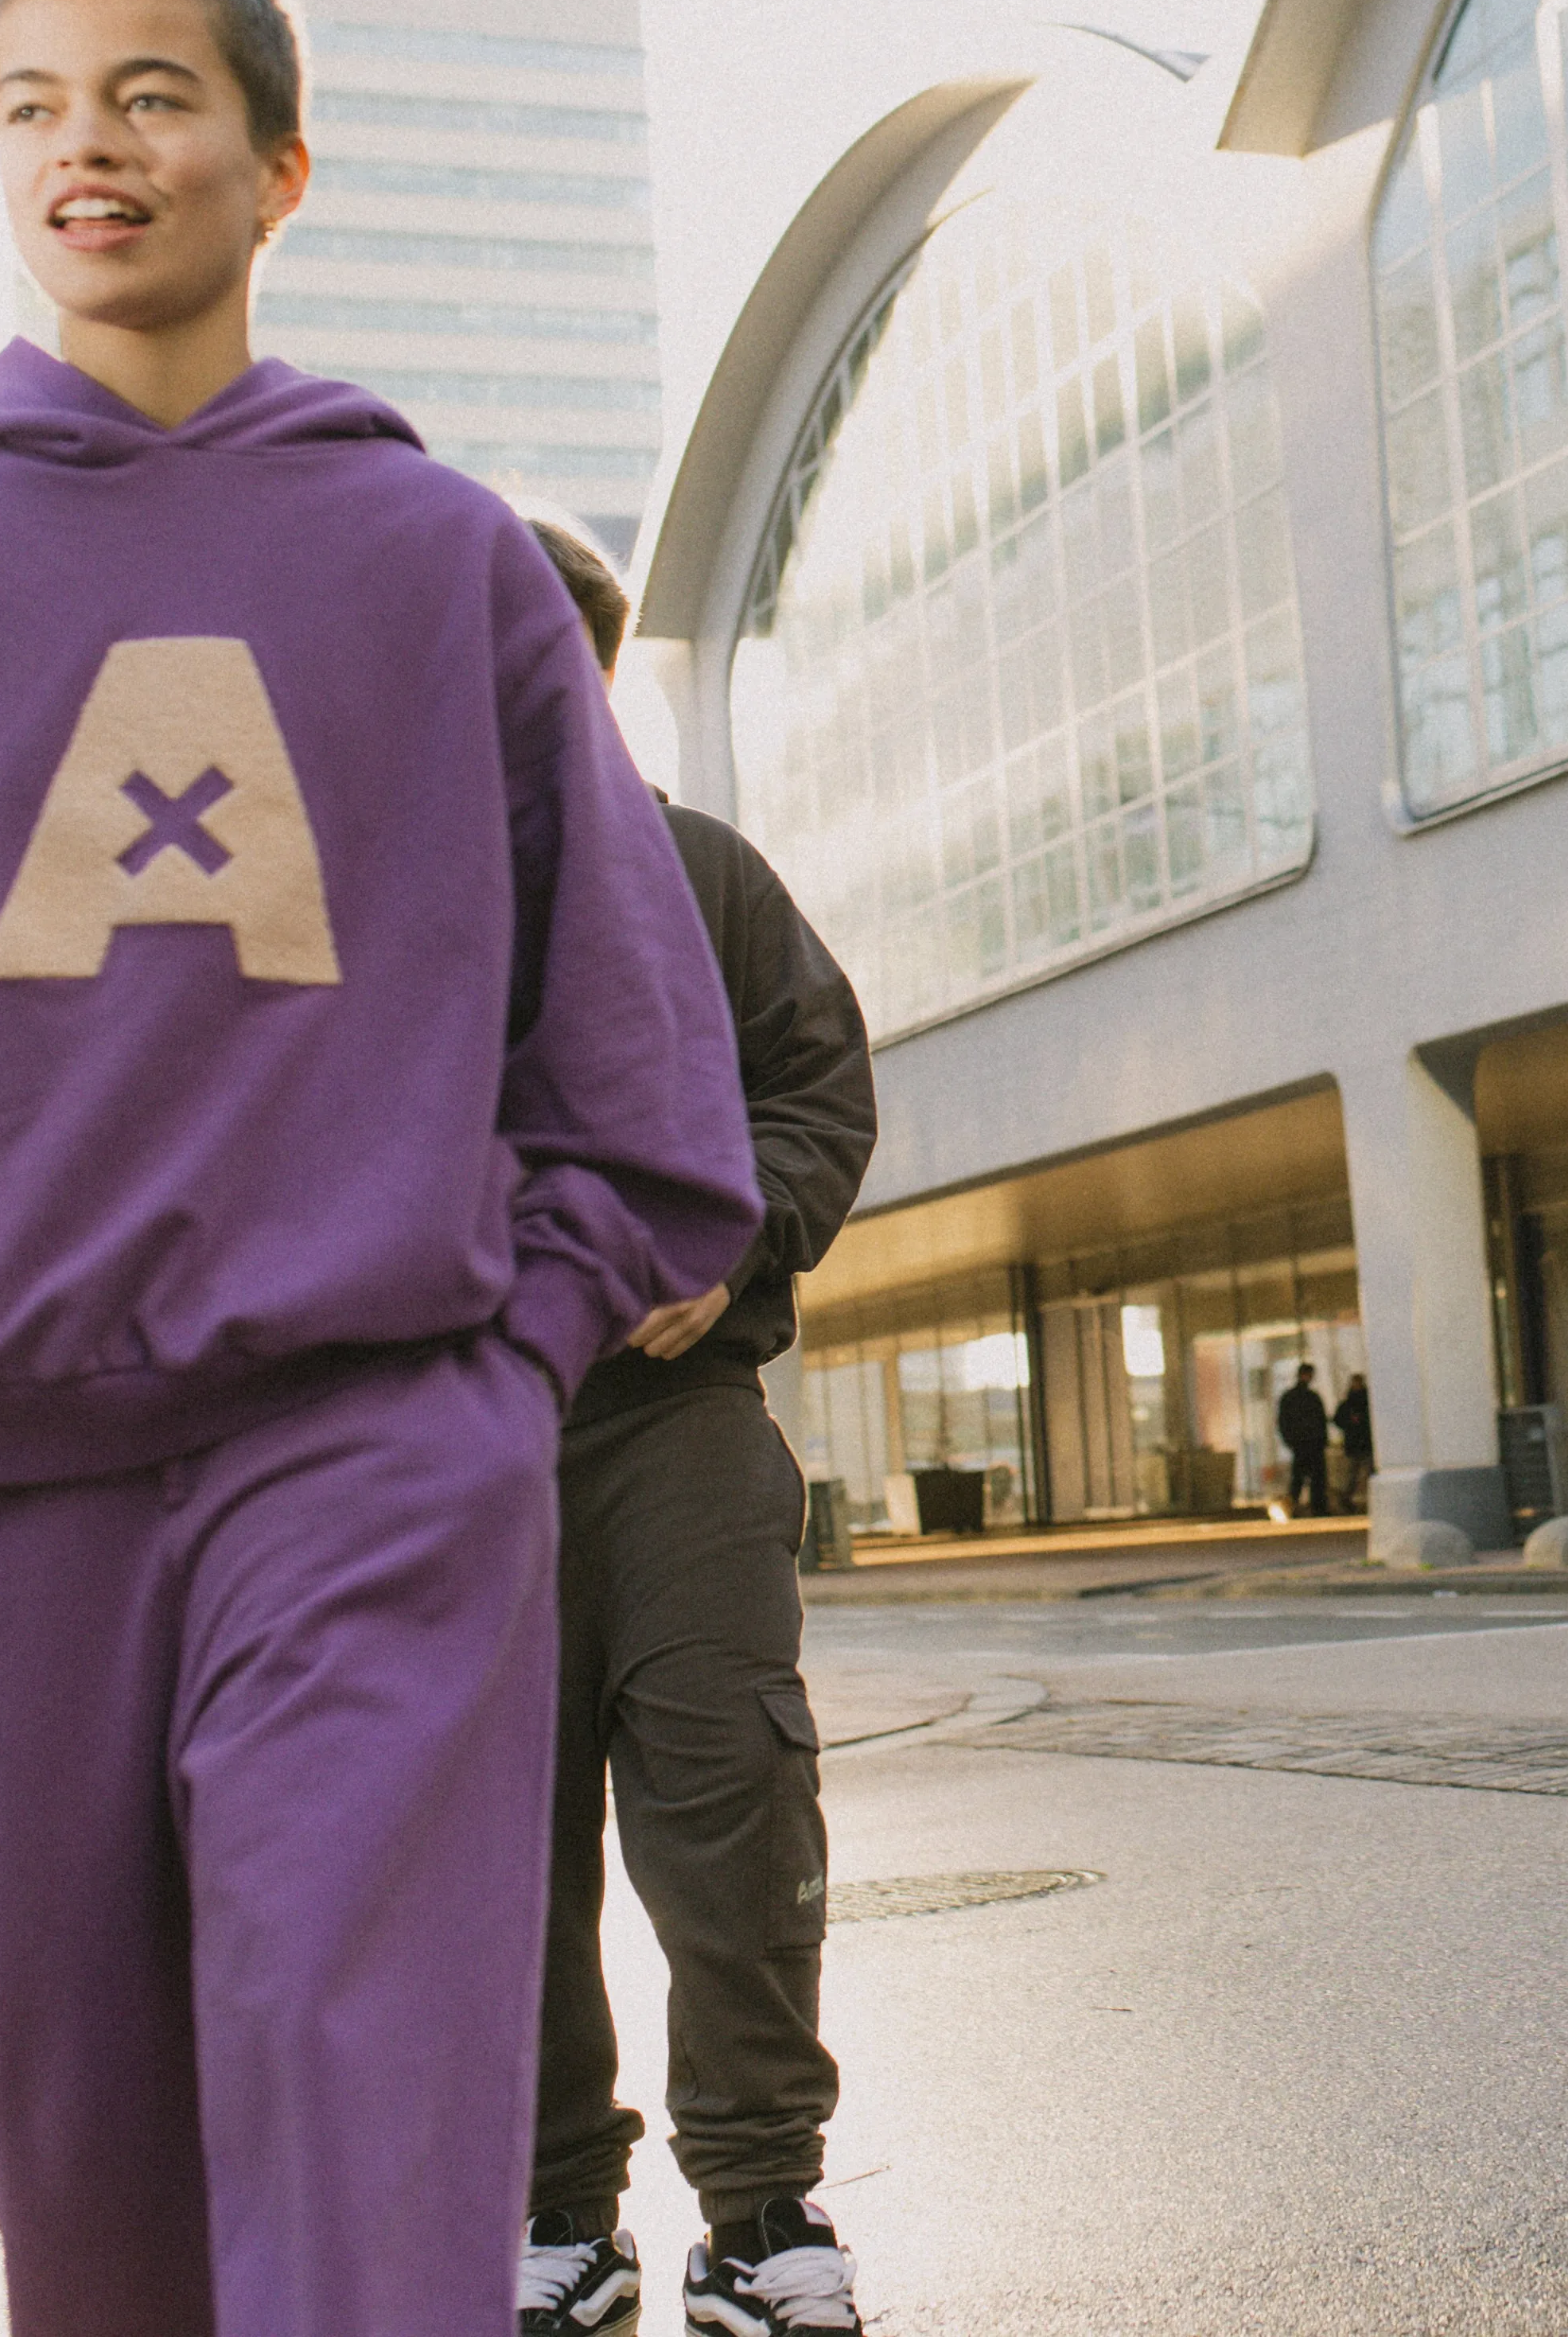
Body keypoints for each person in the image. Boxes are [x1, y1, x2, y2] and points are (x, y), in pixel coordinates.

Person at [0, 0, 756, 2337]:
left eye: (150, 92)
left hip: (363, 1453)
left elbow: (646, 1065)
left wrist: (489, 1371)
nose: (87, 146)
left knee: (372, 2137)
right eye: (33, 102)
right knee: (95, 2206)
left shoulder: (435, 555)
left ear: (277, 164)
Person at [510, 518, 883, 2337]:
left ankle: (762, 2215)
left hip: (677, 1424)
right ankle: (550, 2217)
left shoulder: (696, 871)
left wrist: (722, 1232)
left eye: (554, 651)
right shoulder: (357, 894)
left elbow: (818, 1079)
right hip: (453, 1443)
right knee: (495, 1843)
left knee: (729, 1804)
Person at [1274, 1362, 1332, 1518]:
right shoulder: (1312, 1397)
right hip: (1312, 1444)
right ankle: (1318, 1508)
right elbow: (1321, 1421)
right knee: (1316, 1478)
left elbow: (1283, 1422)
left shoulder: (1289, 1397)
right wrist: (1322, 1441)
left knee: (1298, 1479)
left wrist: (1290, 1441)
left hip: (1300, 1444)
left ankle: (1292, 1508)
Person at [1331, 1369, 1375, 1514]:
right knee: (1354, 1476)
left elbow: (1338, 1420)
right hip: (1359, 1445)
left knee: (1358, 1475)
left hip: (1359, 1444)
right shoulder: (1365, 1403)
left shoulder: (1350, 1403)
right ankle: (1349, 1501)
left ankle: (1354, 1501)